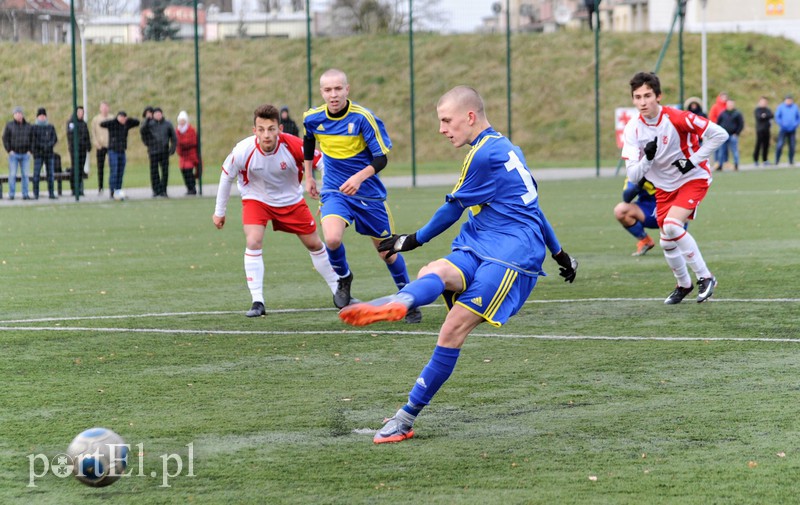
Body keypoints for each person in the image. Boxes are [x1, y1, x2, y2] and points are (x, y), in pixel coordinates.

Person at [338, 86, 578, 444]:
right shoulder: (509, 148)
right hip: (481, 239)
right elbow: (536, 209)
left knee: (451, 328)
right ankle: (402, 301)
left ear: (470, 117)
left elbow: (452, 209)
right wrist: (561, 255)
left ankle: (404, 418)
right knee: (433, 271)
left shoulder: (483, 155)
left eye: (446, 120)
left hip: (512, 253)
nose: (441, 129)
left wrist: (411, 239)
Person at [303, 68, 421, 323]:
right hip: (335, 190)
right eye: (327, 90)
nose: (333, 95)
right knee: (332, 239)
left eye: (338, 89)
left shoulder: (363, 118)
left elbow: (381, 158)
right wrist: (308, 175)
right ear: (321, 92)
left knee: (387, 253)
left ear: (347, 89)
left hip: (368, 194)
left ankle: (408, 297)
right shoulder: (312, 118)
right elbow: (309, 142)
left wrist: (358, 178)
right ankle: (344, 278)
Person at [213, 104, 341, 317]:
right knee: (253, 240)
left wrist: (326, 192)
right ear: (254, 130)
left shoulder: (292, 145)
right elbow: (226, 176)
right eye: (261, 129)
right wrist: (220, 211)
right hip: (257, 199)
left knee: (314, 243)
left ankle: (339, 291)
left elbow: (323, 163)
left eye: (271, 129)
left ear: (279, 129)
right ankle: (257, 301)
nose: (266, 135)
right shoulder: (243, 150)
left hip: (291, 200)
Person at [621, 72, 728, 304]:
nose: (642, 102)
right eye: (637, 97)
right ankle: (684, 284)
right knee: (666, 241)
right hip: (664, 187)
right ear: (632, 99)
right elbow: (633, 174)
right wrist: (647, 159)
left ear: (659, 96)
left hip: (693, 178)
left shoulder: (678, 118)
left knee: (671, 226)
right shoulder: (632, 129)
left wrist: (693, 160)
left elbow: (720, 134)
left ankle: (706, 277)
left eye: (647, 95)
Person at [100, 111, 140, 201]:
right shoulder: (113, 124)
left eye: (124, 118)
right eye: (121, 117)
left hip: (122, 151)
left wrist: (128, 119)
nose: (123, 120)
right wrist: (116, 119)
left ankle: (118, 190)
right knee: (114, 171)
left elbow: (137, 122)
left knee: (120, 172)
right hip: (113, 151)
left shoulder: (126, 124)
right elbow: (102, 124)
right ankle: (112, 191)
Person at [613, 177, 658, 256]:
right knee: (620, 210)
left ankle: (679, 242)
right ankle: (646, 241)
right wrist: (640, 181)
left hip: (671, 207)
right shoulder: (635, 173)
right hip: (648, 209)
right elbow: (626, 198)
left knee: (682, 204)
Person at [141, 106, 176, 197]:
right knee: (154, 172)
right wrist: (147, 120)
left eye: (159, 114)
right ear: (153, 115)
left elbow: (173, 137)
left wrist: (172, 148)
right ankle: (156, 190)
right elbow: (142, 131)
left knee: (165, 172)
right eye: (156, 114)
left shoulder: (167, 124)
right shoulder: (149, 124)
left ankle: (163, 190)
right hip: (153, 152)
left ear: (162, 114)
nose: (158, 115)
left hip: (164, 152)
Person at [2, 106, 33, 200]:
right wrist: (9, 150)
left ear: (22, 115)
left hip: (25, 155)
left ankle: (25, 194)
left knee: (25, 175)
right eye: (16, 113)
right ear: (14, 115)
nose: (18, 115)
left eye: (20, 113)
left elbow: (33, 139)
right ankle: (11, 194)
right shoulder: (9, 125)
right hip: (14, 154)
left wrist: (30, 151)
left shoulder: (28, 126)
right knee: (12, 175)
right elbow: (5, 138)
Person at [31, 107, 58, 200]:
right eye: (40, 115)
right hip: (38, 154)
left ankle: (51, 193)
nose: (42, 117)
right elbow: (33, 140)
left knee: (50, 174)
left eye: (43, 115)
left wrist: (48, 146)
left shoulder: (50, 127)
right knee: (36, 174)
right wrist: (42, 146)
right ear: (37, 117)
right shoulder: (34, 127)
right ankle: (36, 193)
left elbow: (54, 139)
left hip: (49, 154)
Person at [66, 105, 92, 197]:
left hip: (83, 150)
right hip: (74, 151)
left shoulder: (84, 124)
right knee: (75, 168)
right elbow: (70, 136)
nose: (81, 114)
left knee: (81, 169)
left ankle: (80, 189)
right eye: (79, 112)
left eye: (82, 112)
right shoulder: (71, 123)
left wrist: (88, 146)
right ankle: (74, 189)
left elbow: (87, 135)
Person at [91, 101, 112, 194]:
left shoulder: (112, 118)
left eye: (106, 107)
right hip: (100, 146)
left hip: (111, 146)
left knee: (113, 166)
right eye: (103, 107)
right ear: (100, 108)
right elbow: (93, 133)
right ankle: (100, 187)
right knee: (100, 167)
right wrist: (97, 144)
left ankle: (113, 186)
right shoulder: (96, 119)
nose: (104, 109)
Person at [716, 99, 744, 171]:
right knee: (721, 151)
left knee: (734, 151)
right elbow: (718, 123)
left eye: (731, 104)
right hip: (723, 136)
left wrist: (736, 133)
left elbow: (741, 124)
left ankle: (736, 164)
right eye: (729, 104)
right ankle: (720, 165)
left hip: (732, 135)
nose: (730, 106)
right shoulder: (722, 113)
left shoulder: (737, 113)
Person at [176, 110, 200, 195]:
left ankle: (192, 189)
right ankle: (188, 188)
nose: (182, 122)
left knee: (189, 171)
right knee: (184, 172)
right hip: (183, 156)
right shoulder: (177, 131)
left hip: (190, 155)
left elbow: (192, 142)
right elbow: (177, 143)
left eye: (183, 121)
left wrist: (182, 144)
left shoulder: (191, 130)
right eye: (180, 121)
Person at [774, 94, 800, 166]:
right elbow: (777, 117)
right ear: (785, 100)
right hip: (783, 129)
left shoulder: (795, 107)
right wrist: (781, 124)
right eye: (787, 100)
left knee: (792, 145)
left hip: (792, 129)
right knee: (780, 144)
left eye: (790, 100)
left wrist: (796, 124)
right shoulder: (781, 107)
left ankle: (791, 160)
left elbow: (798, 117)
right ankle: (777, 160)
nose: (789, 101)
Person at [753, 96, 773, 167]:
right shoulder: (757, 110)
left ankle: (765, 160)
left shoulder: (767, 109)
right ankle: (756, 160)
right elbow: (759, 117)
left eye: (765, 102)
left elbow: (771, 115)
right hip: (760, 131)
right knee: (758, 145)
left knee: (766, 145)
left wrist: (764, 116)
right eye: (762, 101)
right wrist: (764, 116)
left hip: (767, 130)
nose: (764, 103)